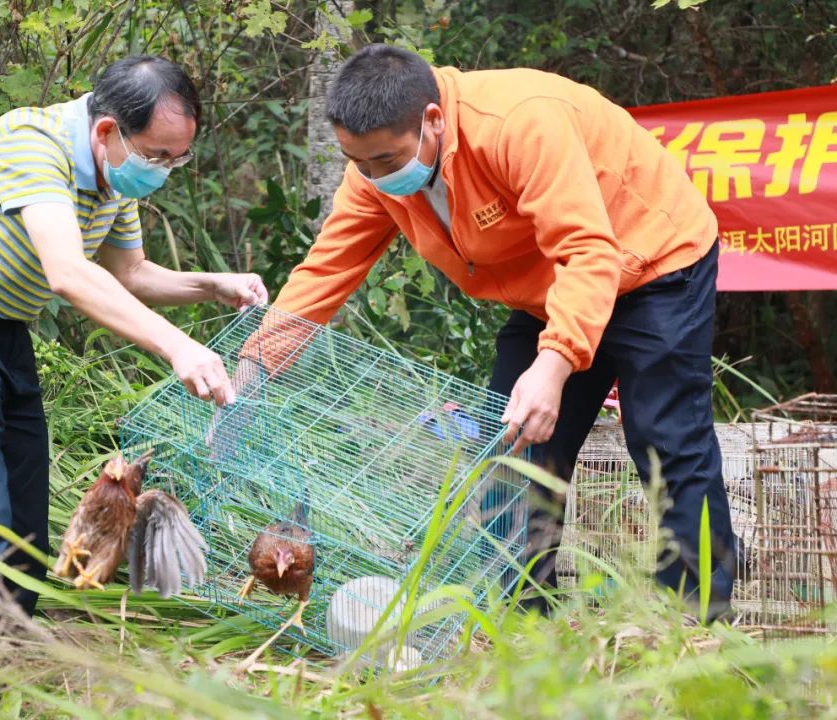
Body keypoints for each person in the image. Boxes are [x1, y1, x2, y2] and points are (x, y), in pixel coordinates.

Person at [249, 44, 737, 619]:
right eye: (358, 162)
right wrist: (256, 363)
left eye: (385, 160)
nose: (374, 177)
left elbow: (588, 251)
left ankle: (695, 621)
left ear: (433, 120)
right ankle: (524, 623)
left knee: (666, 440)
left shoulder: (518, 124)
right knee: (512, 445)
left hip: (653, 261)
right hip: (549, 284)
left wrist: (554, 363)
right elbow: (327, 269)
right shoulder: (373, 177)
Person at [0, 55, 266, 644]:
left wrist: (212, 285)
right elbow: (66, 272)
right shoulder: (33, 146)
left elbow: (131, 272)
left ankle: (1, 669)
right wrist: (177, 346)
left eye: (176, 159)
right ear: (107, 131)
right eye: (158, 156)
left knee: (26, 530)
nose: (164, 170)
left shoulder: (112, 174)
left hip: (3, 331)